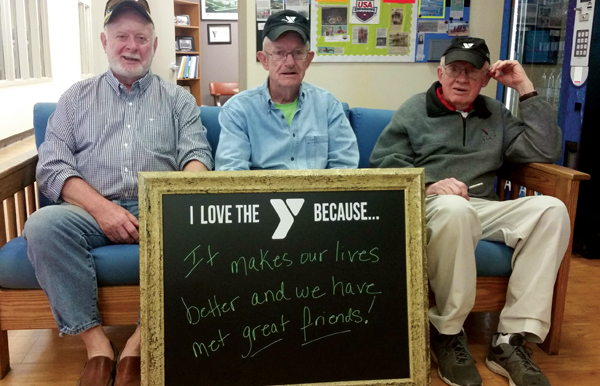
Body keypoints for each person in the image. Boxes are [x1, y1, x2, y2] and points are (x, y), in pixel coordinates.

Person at [22, 1, 213, 385]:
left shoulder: (178, 99)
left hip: (157, 209)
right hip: (89, 212)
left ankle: (137, 345)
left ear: (155, 45)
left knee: (198, 227)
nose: (132, 46)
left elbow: (197, 154)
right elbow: (53, 166)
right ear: (104, 41)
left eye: (141, 38)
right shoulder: (75, 99)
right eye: (122, 36)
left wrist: (177, 201)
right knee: (41, 225)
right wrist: (103, 210)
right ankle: (97, 347)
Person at [370, 37, 569, 386]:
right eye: (454, 69)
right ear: (440, 73)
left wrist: (525, 88)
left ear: (485, 78)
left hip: (484, 205)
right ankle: (447, 332)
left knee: (552, 209)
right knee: (454, 209)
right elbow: (384, 166)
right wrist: (429, 186)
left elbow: (545, 149)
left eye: (472, 71)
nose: (461, 78)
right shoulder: (415, 109)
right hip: (434, 204)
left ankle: (510, 339)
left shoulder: (495, 112)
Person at [215, 10, 359, 170]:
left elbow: (345, 168)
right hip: (261, 194)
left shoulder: (328, 105)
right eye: (279, 53)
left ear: (308, 60)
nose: (290, 62)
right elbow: (232, 174)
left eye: (298, 53)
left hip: (317, 194)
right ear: (264, 60)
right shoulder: (238, 110)